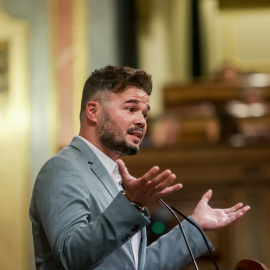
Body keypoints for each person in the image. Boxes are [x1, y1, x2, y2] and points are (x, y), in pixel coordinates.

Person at [29, 65, 250, 270]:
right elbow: (71, 256)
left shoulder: (113, 176)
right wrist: (131, 204)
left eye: (144, 113)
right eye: (131, 108)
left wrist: (194, 228)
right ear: (93, 112)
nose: (142, 120)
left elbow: (134, 266)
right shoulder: (63, 169)